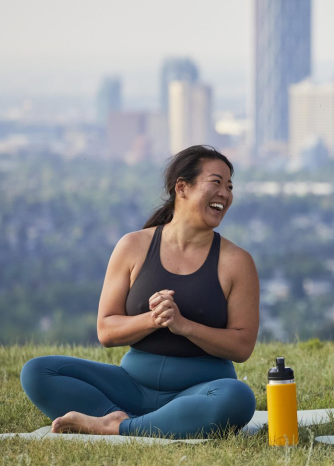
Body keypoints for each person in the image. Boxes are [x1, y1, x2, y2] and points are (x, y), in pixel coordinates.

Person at [21, 146, 259, 438]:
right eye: (216, 182)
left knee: (238, 397)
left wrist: (184, 326)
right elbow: (107, 331)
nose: (225, 193)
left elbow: (241, 346)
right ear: (182, 188)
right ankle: (131, 421)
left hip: (201, 390)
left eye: (230, 186)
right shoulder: (133, 246)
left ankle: (117, 426)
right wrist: (154, 319)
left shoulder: (236, 262)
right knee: (38, 371)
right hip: (130, 386)